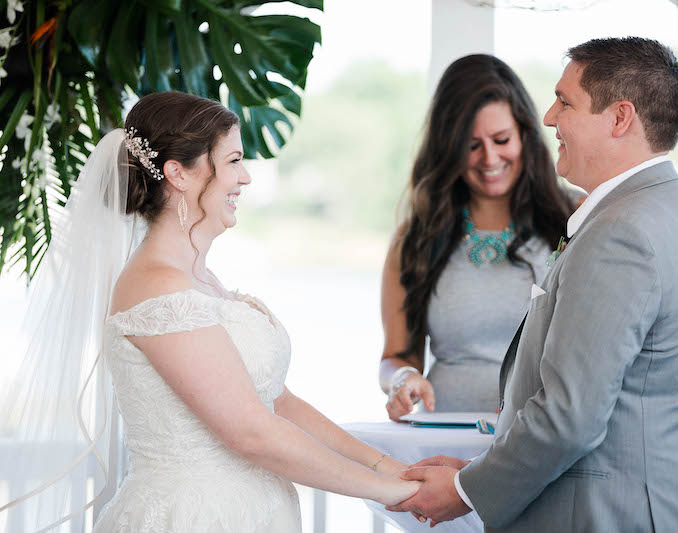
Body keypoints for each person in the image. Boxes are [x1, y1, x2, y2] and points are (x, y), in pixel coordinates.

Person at [0, 91, 418, 532]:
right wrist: (390, 494)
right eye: (234, 160)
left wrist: (387, 467)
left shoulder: (203, 282)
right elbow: (251, 432)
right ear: (178, 173)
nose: (246, 178)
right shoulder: (155, 287)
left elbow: (278, 402)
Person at [387, 37, 678, 532]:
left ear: (619, 118)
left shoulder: (621, 233)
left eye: (566, 102)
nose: (548, 117)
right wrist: (481, 473)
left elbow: (570, 417)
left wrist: (465, 492)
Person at [379, 54, 575, 421]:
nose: (489, 159)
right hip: (444, 438)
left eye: (501, 139)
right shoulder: (416, 237)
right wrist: (402, 379)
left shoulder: (575, 218)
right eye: (471, 146)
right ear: (448, 148)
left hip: (540, 444)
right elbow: (396, 356)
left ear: (525, 134)